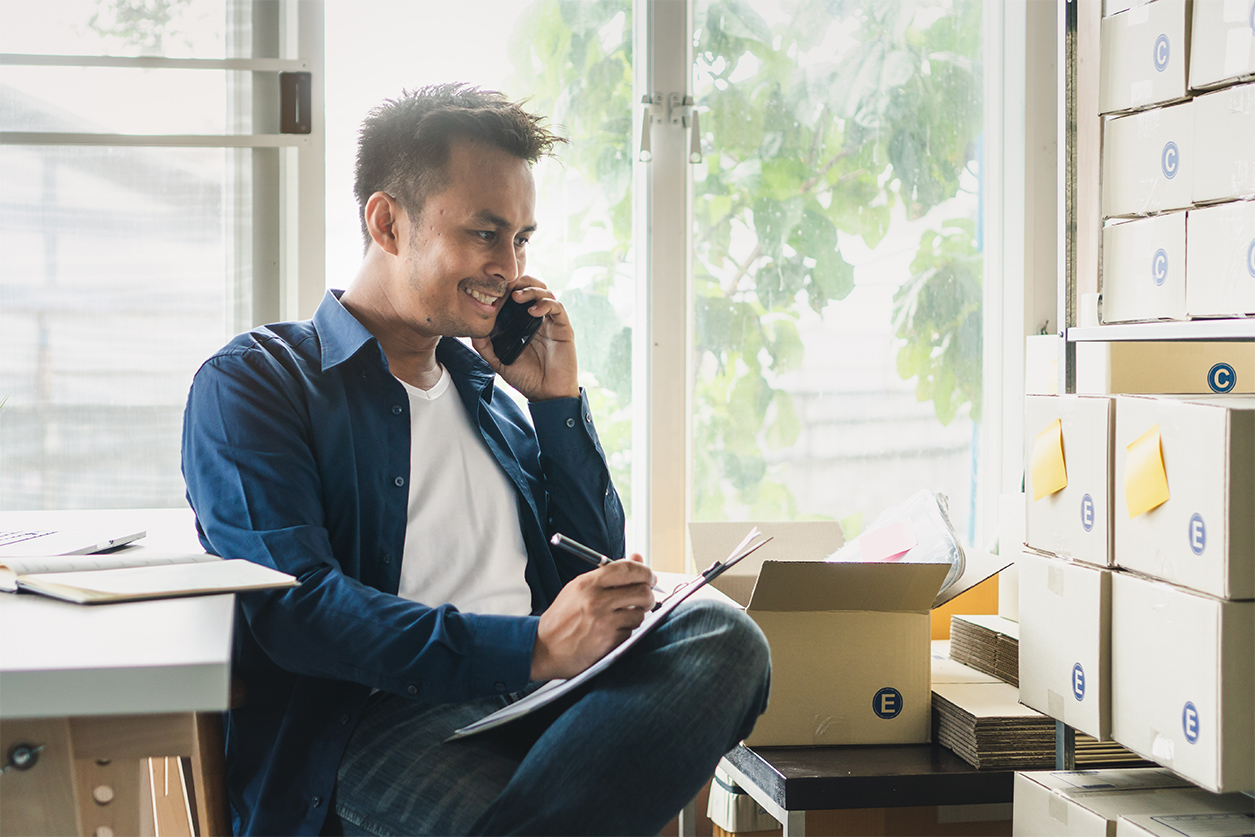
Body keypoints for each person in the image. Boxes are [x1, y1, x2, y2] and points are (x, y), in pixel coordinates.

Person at [181, 83, 771, 836]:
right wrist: (529, 645)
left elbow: (577, 573)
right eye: (485, 233)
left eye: (522, 238)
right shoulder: (258, 380)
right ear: (387, 221)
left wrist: (557, 405)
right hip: (373, 726)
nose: (511, 266)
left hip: (539, 702)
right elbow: (296, 610)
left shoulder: (489, 396)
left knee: (722, 636)